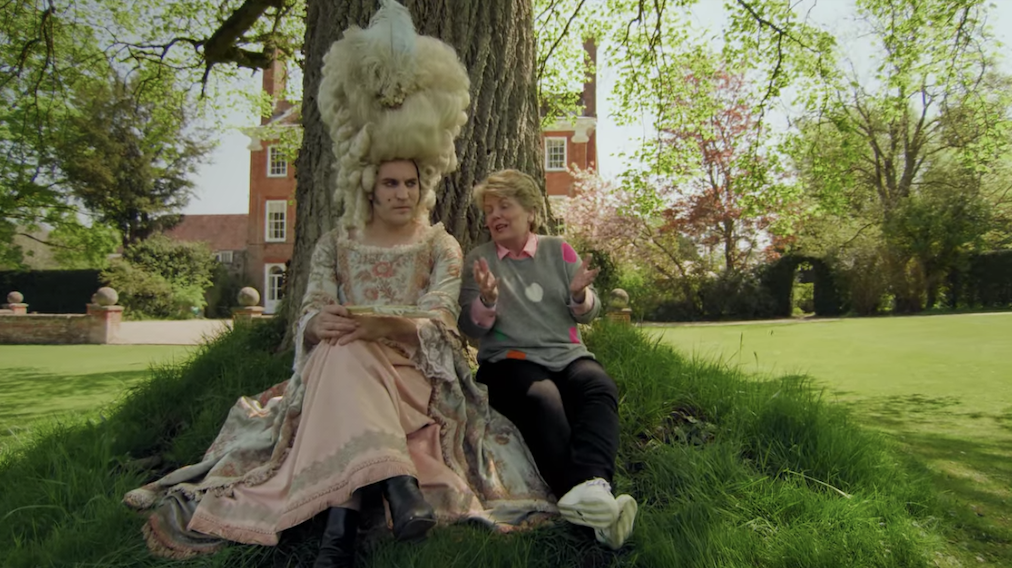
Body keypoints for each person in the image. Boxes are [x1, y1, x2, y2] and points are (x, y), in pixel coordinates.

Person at [123, 4, 554, 566]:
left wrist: (381, 324)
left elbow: (442, 324)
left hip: (413, 375)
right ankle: (396, 488)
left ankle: (339, 529)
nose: (402, 192)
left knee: (347, 353)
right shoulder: (334, 243)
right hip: (344, 366)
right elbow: (313, 309)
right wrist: (315, 323)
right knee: (339, 351)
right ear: (370, 188)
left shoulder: (440, 245)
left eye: (411, 182)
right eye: (390, 183)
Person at [458, 169, 638, 550]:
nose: (494, 216)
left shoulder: (560, 251)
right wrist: (487, 300)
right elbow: (469, 326)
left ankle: (593, 493)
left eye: (504, 206)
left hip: (567, 354)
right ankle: (594, 508)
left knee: (599, 385)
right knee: (543, 398)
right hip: (508, 361)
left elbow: (588, 312)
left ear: (531, 212)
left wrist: (578, 295)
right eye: (489, 210)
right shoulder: (480, 259)